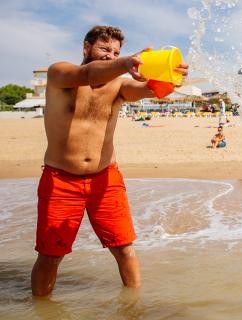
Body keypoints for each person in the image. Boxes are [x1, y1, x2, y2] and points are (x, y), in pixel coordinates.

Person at [31, 25, 189, 296]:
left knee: (124, 248)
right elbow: (88, 75)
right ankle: (40, 309)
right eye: (104, 49)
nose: (109, 55)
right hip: (61, 181)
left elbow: (150, 90)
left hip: (106, 178)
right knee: (50, 255)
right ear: (86, 47)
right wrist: (125, 62)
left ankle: (133, 308)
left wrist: (172, 75)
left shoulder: (118, 85)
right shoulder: (60, 73)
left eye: (115, 51)